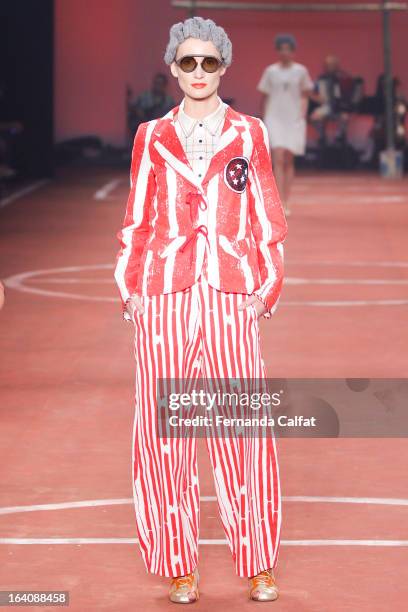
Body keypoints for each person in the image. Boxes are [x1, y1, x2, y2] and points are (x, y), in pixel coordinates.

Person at [114, 16, 288, 604]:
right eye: (186, 62)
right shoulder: (150, 135)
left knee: (243, 430)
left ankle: (259, 559)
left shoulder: (249, 133)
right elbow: (136, 219)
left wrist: (265, 291)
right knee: (165, 435)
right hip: (163, 294)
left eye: (208, 62)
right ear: (172, 67)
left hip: (230, 292)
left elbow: (268, 217)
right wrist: (131, 291)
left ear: (224, 67)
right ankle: (178, 562)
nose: (197, 73)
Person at [257, 33, 315, 216]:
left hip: (294, 118)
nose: (285, 53)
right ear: (278, 51)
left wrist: (303, 113)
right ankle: (278, 202)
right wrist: (264, 120)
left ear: (293, 52)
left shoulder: (301, 71)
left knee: (289, 159)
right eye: (281, 50)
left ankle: (286, 200)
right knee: (278, 158)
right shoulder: (270, 71)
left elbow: (306, 94)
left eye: (288, 50)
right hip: (275, 118)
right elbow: (264, 97)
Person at [310, 55, 354, 146]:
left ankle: (339, 136)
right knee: (314, 117)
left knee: (345, 116)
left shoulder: (344, 77)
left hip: (341, 107)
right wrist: (317, 98)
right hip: (326, 105)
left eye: (332, 65)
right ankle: (322, 136)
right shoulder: (321, 79)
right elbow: (311, 92)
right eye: (327, 65)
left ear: (337, 66)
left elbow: (350, 93)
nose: (329, 67)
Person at [128, 72, 175, 144]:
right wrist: (139, 112)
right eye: (156, 83)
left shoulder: (169, 101)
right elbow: (133, 108)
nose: (158, 86)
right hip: (144, 130)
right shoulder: (144, 97)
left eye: (160, 84)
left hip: (160, 132)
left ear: (164, 85)